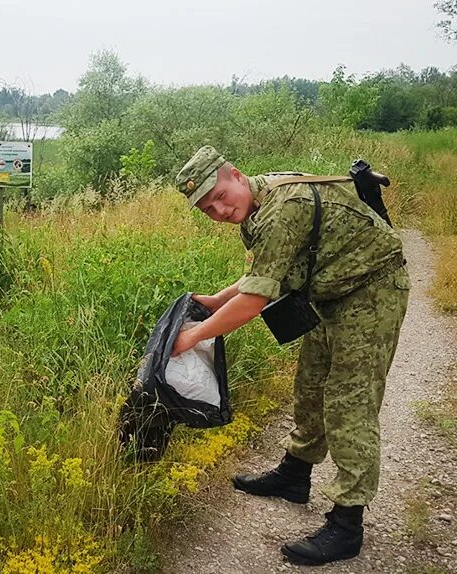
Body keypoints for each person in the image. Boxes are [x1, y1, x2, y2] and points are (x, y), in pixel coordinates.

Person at [171, 145, 410, 566]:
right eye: (209, 209)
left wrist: (192, 338)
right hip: (330, 294)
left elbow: (253, 301)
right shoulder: (258, 204)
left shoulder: (282, 208)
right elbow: (262, 272)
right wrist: (214, 299)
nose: (220, 211)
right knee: (311, 385)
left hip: (371, 290)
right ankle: (295, 475)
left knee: (349, 403)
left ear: (236, 175)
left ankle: (347, 524)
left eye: (221, 197)